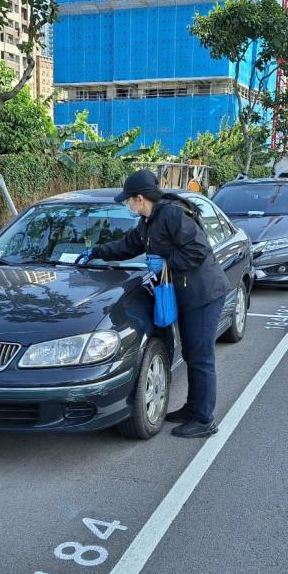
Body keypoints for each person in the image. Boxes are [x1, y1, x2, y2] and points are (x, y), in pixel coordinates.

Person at [83, 170, 229, 439]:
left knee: (201, 358)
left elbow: (198, 250)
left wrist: (166, 264)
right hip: (186, 295)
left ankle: (204, 420)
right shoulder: (149, 220)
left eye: (129, 200)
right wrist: (97, 252)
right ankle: (192, 409)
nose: (127, 205)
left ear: (140, 199)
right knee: (190, 355)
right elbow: (130, 245)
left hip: (203, 295)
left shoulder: (172, 215)